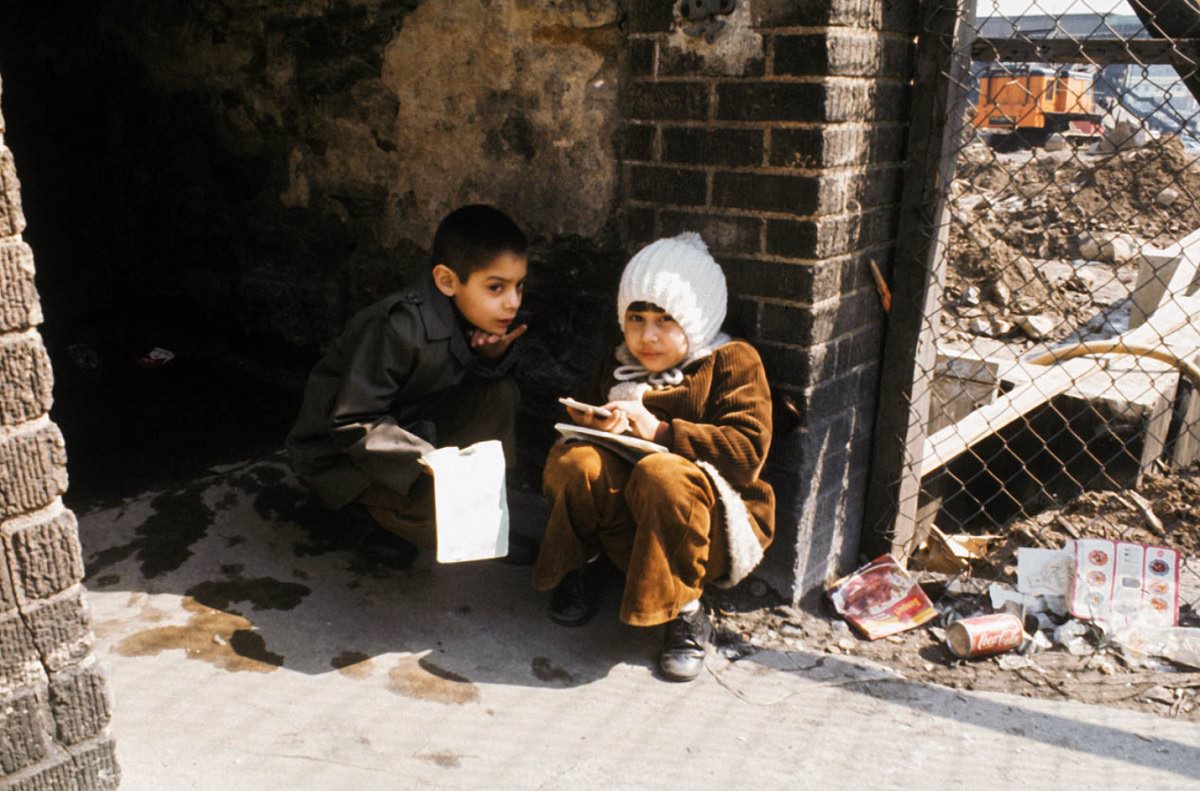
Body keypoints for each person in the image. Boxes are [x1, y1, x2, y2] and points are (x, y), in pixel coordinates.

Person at [532, 232, 775, 681]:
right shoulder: (619, 359)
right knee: (575, 462)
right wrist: (594, 427)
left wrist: (661, 431)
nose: (647, 335)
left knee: (662, 473)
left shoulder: (733, 361)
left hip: (706, 530)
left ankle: (686, 609)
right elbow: (586, 438)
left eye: (666, 320)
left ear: (697, 319)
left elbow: (746, 455)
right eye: (636, 317)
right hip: (630, 523)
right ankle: (582, 567)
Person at [286, 204, 537, 563]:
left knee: (499, 395)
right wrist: (434, 463)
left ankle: (484, 524)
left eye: (519, 286)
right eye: (496, 287)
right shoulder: (395, 327)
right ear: (447, 281)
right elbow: (352, 423)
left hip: (415, 426)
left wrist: (489, 357)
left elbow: (448, 384)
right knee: (442, 505)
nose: (512, 303)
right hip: (341, 456)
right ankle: (379, 518)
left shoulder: (470, 314)